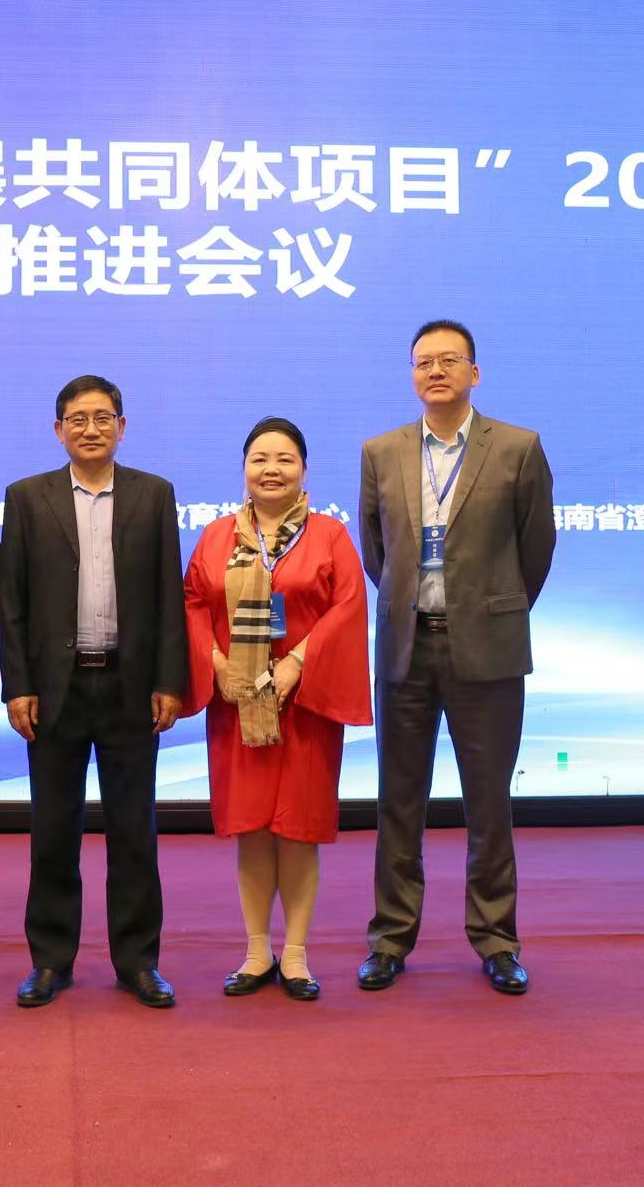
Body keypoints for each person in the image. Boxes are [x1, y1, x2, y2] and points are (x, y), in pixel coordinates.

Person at [356, 320, 556, 995]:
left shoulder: (518, 448)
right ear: (412, 374)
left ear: (475, 372)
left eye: (449, 360)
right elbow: (377, 553)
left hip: (488, 649)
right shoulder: (381, 451)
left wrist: (492, 607)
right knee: (398, 801)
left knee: (488, 802)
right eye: (423, 362)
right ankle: (390, 939)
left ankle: (497, 940)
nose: (435, 371)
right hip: (406, 646)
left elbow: (535, 548)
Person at [0, 374, 187, 1009]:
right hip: (56, 689)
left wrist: (169, 681)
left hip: (131, 688)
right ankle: (50, 961)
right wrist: (18, 686)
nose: (90, 428)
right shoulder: (27, 497)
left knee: (134, 831)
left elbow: (168, 597)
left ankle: (138, 962)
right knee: (54, 830)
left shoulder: (154, 495)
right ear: (58, 430)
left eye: (103, 417)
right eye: (77, 419)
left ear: (122, 427)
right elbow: (15, 602)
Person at [182, 417, 370, 1000]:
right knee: (253, 830)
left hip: (304, 705)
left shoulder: (329, 534)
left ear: (304, 469)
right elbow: (192, 603)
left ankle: (295, 955)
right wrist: (217, 663)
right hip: (238, 704)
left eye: (285, 459)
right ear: (243, 468)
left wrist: (297, 665)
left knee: (298, 830)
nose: (271, 470)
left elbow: (347, 605)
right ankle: (257, 950)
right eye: (259, 459)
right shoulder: (217, 536)